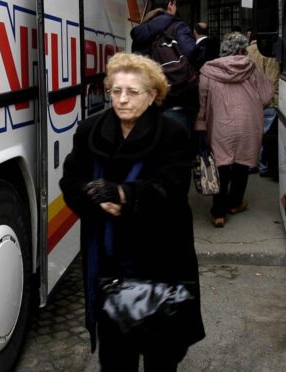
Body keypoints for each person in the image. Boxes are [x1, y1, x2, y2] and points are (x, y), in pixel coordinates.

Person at [59, 52, 205, 371]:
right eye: (116, 91)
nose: (122, 99)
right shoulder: (89, 131)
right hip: (109, 261)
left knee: (161, 354)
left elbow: (172, 186)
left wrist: (125, 194)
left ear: (152, 96)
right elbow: (70, 180)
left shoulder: (173, 133)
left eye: (132, 92)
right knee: (115, 355)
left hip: (161, 258)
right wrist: (93, 196)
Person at [195, 32, 273, 227]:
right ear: (241, 50)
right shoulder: (251, 68)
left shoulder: (208, 71)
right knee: (241, 164)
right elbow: (266, 96)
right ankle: (235, 203)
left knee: (221, 166)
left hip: (219, 126)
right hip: (247, 123)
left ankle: (218, 213)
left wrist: (200, 126)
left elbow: (201, 103)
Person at [130, 0, 198, 134]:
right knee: (178, 140)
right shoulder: (178, 25)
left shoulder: (140, 32)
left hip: (149, 99)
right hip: (177, 97)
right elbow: (192, 52)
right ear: (170, 5)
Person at [246, 28, 280, 178]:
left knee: (251, 133)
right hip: (267, 102)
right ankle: (263, 166)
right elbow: (272, 79)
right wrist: (273, 99)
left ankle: (250, 163)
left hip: (248, 100)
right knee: (265, 135)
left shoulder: (245, 52)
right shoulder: (268, 53)